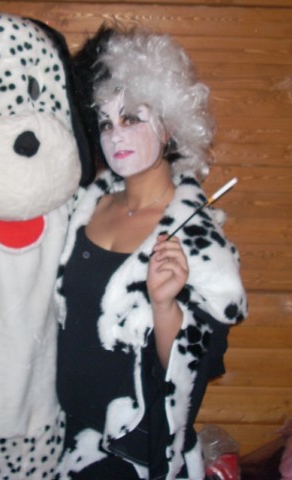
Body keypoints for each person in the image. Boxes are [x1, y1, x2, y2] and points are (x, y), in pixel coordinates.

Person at [54, 26, 248, 480]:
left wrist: (165, 306)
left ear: (170, 125)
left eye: (131, 118)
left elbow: (196, 368)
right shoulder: (80, 209)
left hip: (133, 456)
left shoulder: (198, 242)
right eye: (105, 122)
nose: (115, 135)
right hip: (59, 442)